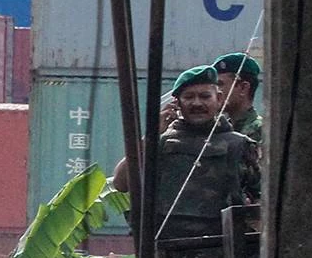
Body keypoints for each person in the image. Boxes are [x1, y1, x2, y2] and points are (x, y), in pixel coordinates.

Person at [112, 64, 261, 241]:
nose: (197, 103)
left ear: (219, 99)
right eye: (189, 97)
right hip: (166, 248)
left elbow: (260, 200)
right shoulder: (161, 143)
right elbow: (121, 183)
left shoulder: (240, 145)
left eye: (205, 96)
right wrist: (151, 136)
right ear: (177, 102)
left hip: (222, 250)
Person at [212, 51, 262, 142]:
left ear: (243, 88)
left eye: (220, 84)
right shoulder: (220, 129)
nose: (215, 92)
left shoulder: (261, 131)